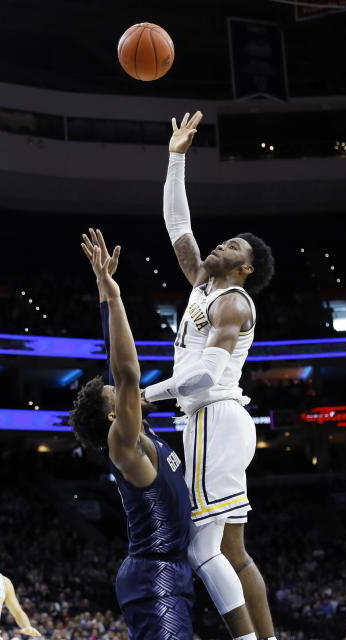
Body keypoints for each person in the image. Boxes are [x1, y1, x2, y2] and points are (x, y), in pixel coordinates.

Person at [140, 111, 277, 640]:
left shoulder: (233, 304)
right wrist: (177, 157)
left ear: (245, 269)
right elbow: (179, 226)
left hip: (214, 416)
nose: (222, 246)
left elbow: (202, 378)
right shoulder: (203, 284)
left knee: (202, 549)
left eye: (234, 249)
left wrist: (143, 396)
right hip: (216, 421)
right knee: (234, 553)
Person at [70, 230, 243, 640]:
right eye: (118, 395)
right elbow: (126, 371)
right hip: (153, 578)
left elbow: (121, 374)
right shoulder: (122, 445)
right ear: (115, 413)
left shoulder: (146, 436)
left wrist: (103, 292)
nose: (129, 392)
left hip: (170, 573)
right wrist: (111, 295)